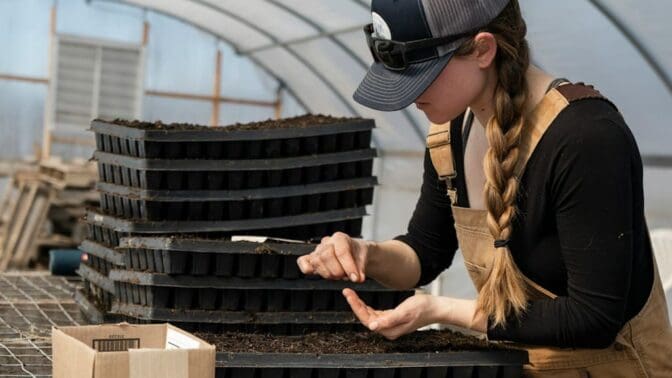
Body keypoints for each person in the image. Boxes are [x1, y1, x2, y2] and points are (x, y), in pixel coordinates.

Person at [296, 0, 672, 376]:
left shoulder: (585, 138)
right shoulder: (450, 132)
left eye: (423, 74)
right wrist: (366, 254)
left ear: (483, 49)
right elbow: (424, 252)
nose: (410, 96)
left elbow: (592, 317)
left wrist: (440, 309)